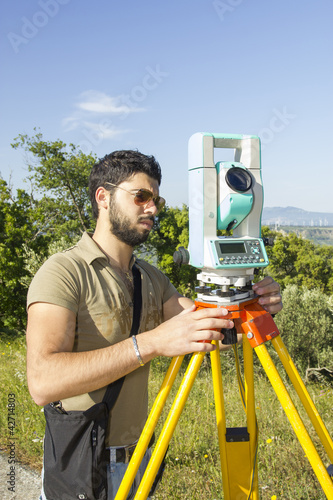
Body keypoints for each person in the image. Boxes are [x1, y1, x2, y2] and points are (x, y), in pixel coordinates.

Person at [26, 150, 283, 499]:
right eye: (141, 196)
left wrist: (253, 305)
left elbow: (211, 330)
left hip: (139, 460)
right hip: (82, 463)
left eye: (156, 199)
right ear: (103, 197)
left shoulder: (151, 278)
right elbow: (42, 382)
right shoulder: (63, 272)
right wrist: (150, 343)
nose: (152, 208)